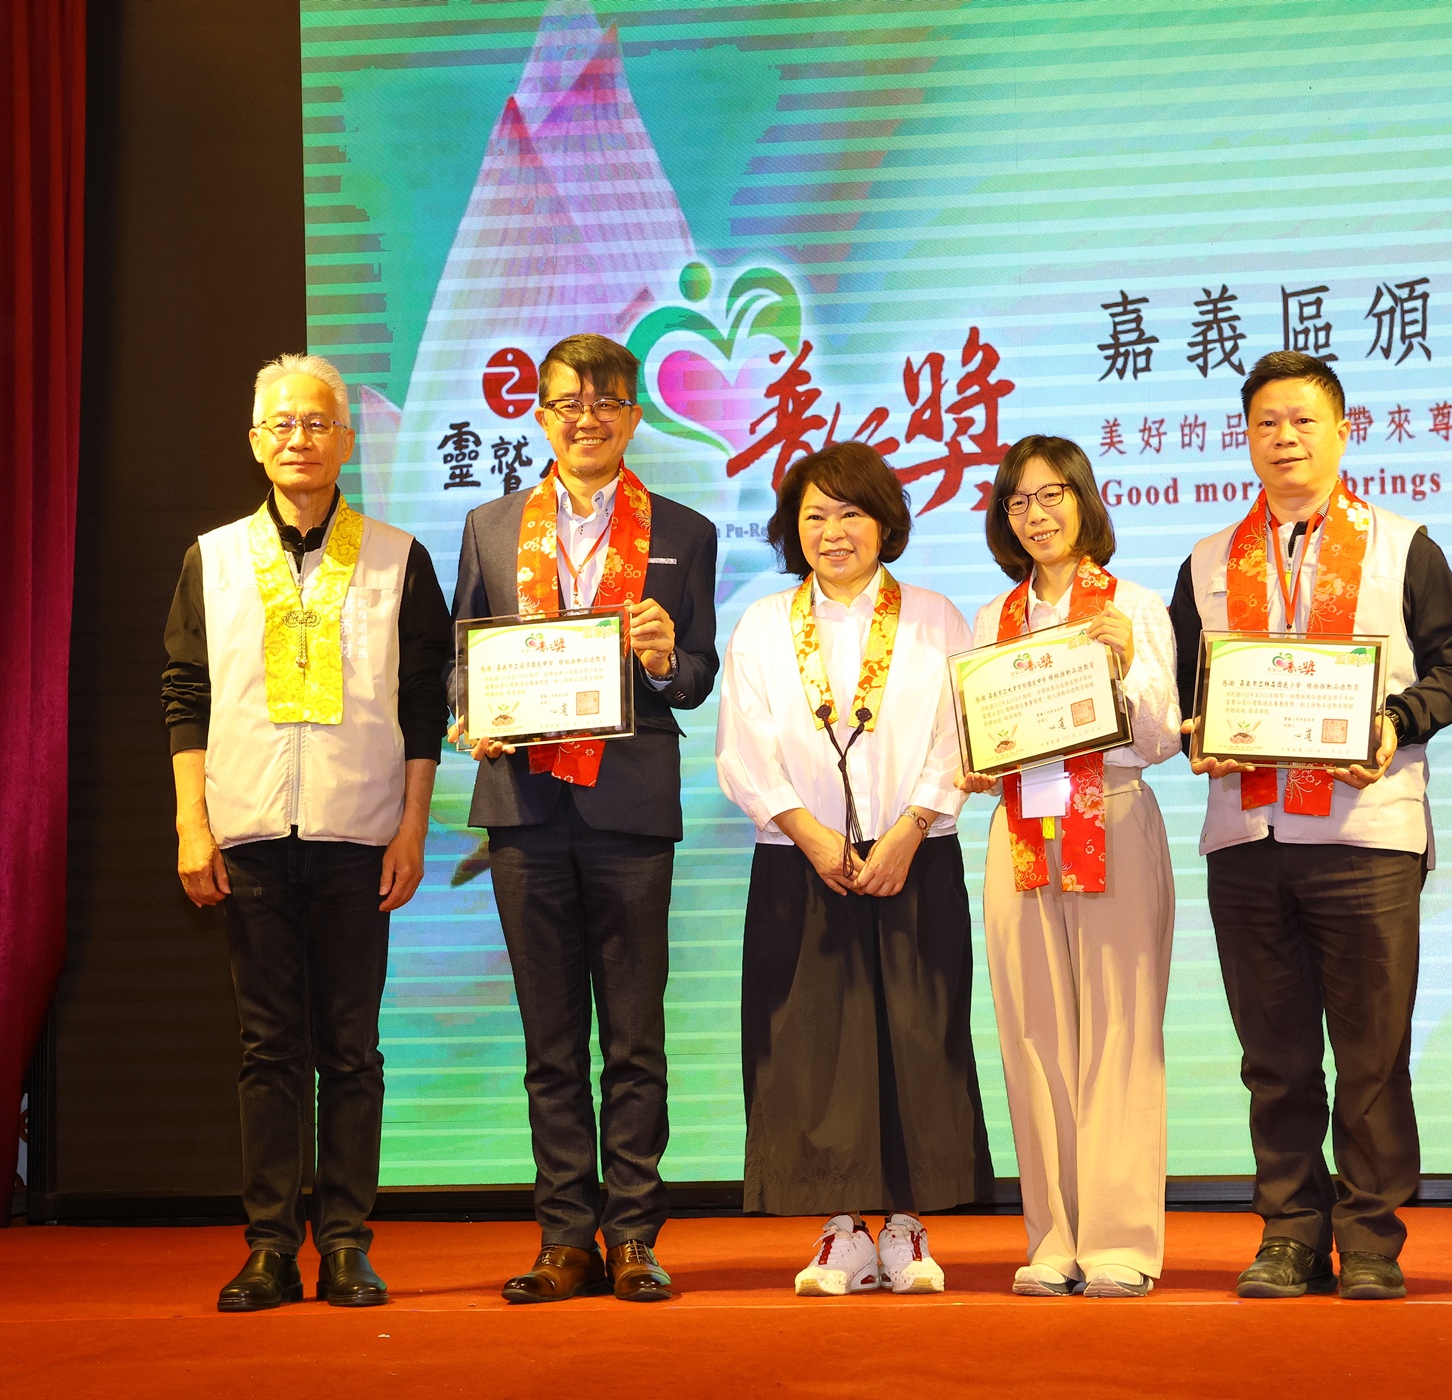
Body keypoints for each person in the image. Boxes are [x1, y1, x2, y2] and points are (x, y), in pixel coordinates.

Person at [1170, 351, 1452, 1301]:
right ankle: (1290, 1235)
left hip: (1367, 836)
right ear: (1246, 438)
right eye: (1267, 422)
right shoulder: (1206, 560)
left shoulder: (1403, 544)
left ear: (1344, 431)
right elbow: (1188, 689)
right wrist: (1195, 732)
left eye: (1304, 420)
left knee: (1372, 1053)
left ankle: (1373, 1239)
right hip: (1248, 838)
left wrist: (1395, 720)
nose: (1286, 438)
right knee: (1274, 1057)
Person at [163, 353, 451, 1312]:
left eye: (318, 423)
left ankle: (348, 1243)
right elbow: (185, 695)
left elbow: (424, 703)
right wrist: (192, 825)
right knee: (268, 1049)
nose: (300, 439)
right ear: (255, 441)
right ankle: (269, 1247)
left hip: (358, 834)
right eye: (282, 424)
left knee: (352, 1050)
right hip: (247, 832)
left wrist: (411, 828)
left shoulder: (398, 557)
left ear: (347, 440)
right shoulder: (211, 558)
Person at [451, 333, 718, 1305]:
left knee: (634, 1038)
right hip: (524, 809)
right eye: (568, 402)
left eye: (607, 402)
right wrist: (470, 713)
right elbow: (462, 658)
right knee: (550, 1040)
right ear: (541, 415)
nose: (587, 418)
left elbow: (698, 674)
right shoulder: (489, 526)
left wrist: (664, 656)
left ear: (634, 416)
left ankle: (634, 1233)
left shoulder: (684, 530)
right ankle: (565, 1236)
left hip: (630, 809)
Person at [715, 441, 993, 1296]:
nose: (833, 532)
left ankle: (906, 1228)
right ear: (791, 530)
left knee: (920, 1039)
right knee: (809, 1049)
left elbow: (959, 736)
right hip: (800, 863)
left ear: (885, 523)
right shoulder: (764, 624)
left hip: (916, 857)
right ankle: (839, 1231)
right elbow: (743, 748)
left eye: (851, 513)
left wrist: (909, 830)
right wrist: (810, 835)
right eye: (814, 516)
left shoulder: (936, 617)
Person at [959, 435, 1180, 1299]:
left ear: (1085, 500)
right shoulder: (993, 619)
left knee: (1121, 1031)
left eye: (1052, 495)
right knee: (1032, 1035)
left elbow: (1160, 740)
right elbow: (974, 743)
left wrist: (1122, 666)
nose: (1036, 514)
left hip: (1112, 818)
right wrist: (973, 760)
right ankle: (1053, 1236)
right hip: (1021, 829)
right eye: (1017, 501)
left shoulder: (1133, 606)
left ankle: (1120, 1240)